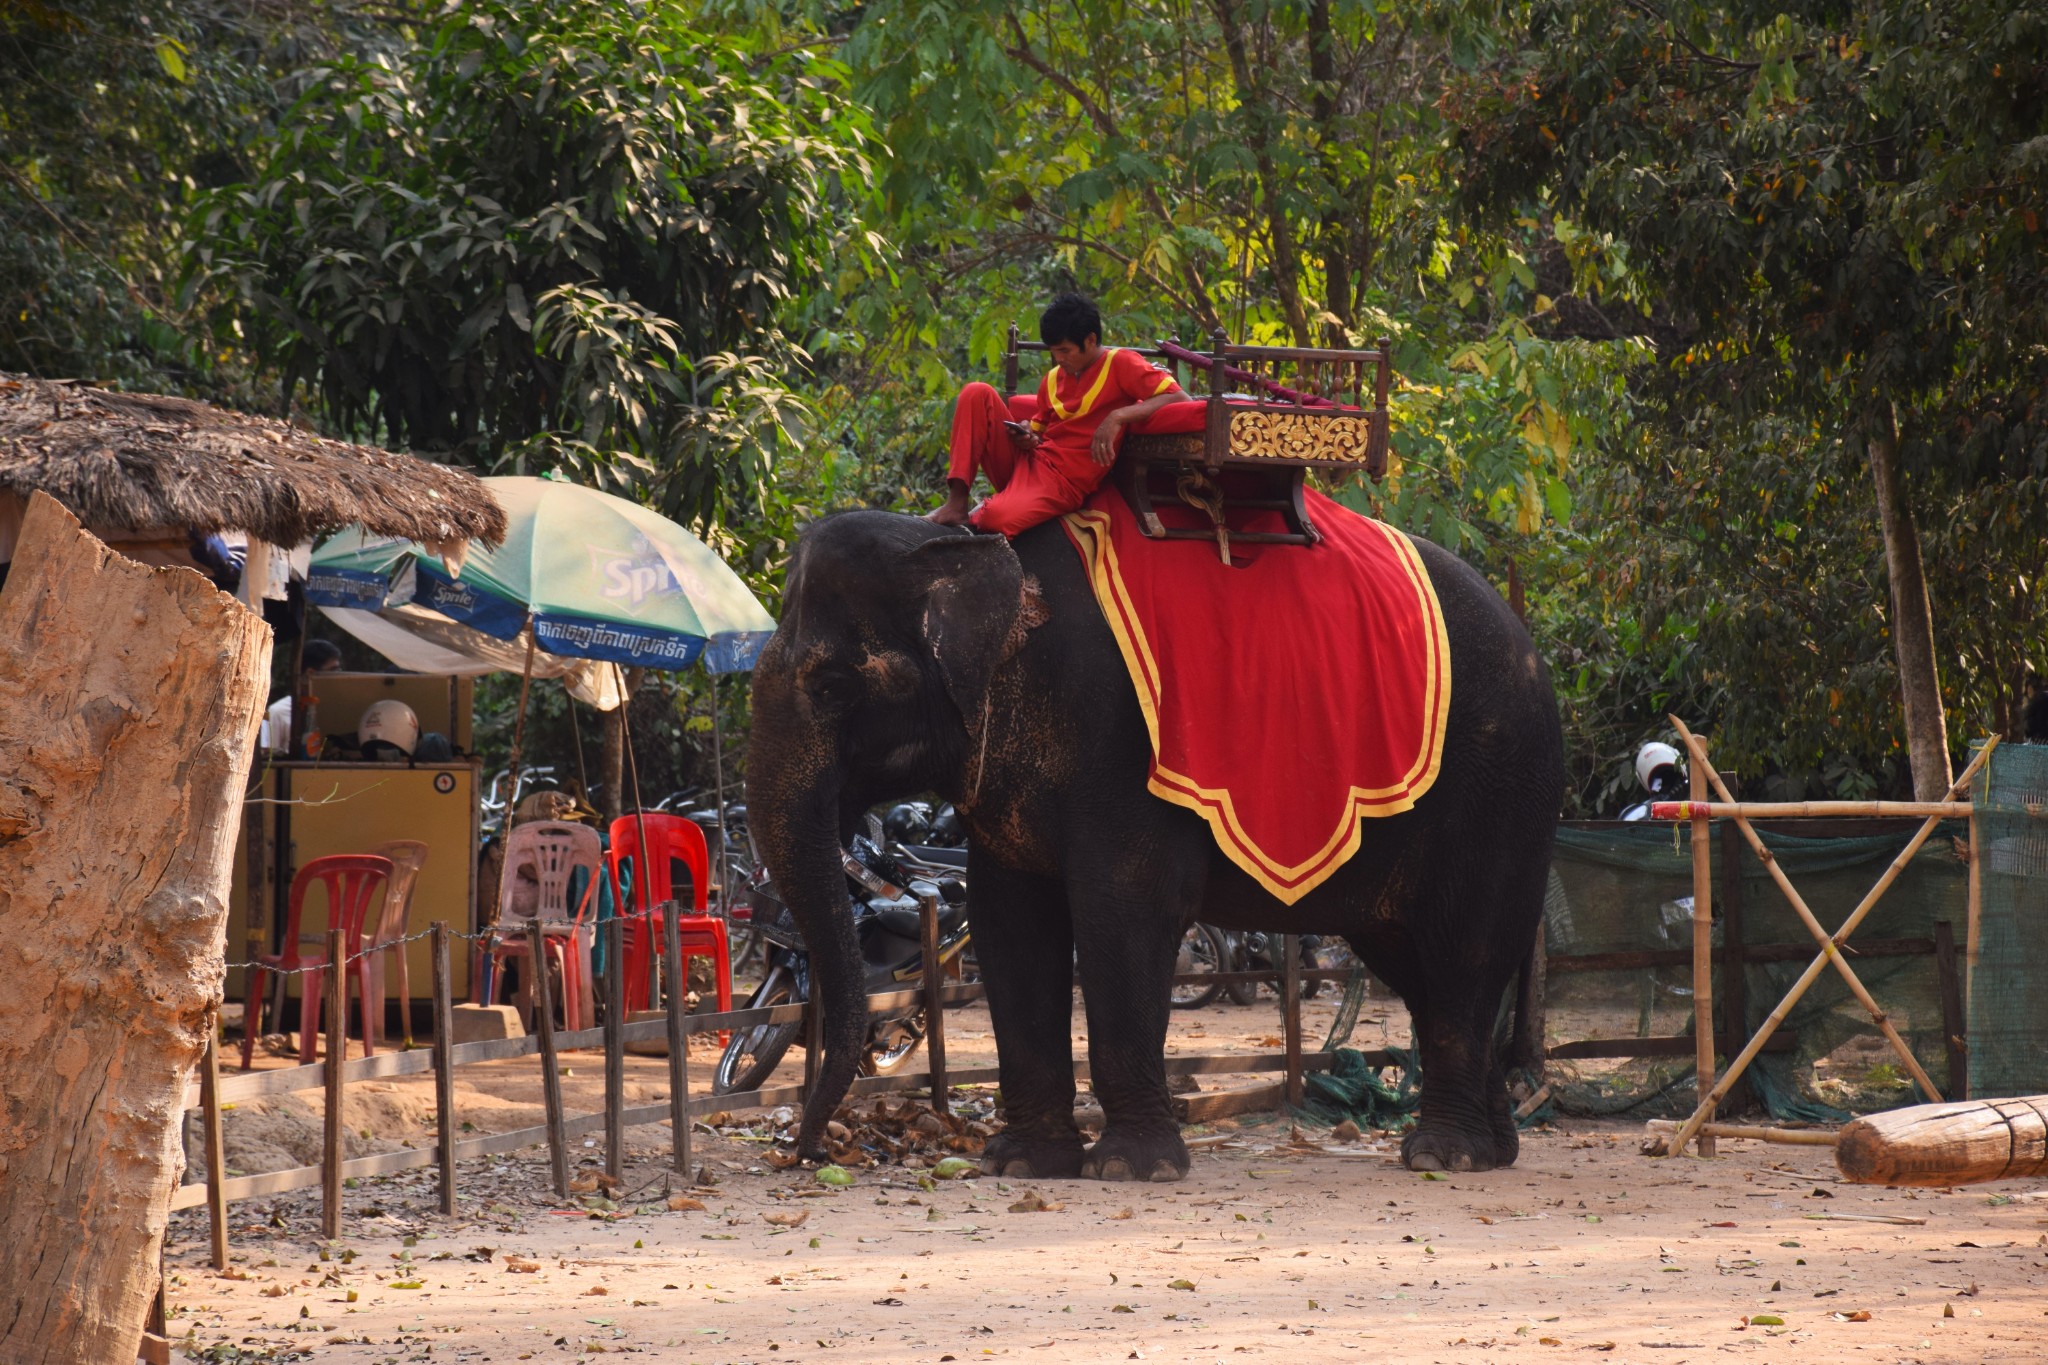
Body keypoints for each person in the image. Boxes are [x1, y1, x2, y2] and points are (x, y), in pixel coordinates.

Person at [928, 292, 1186, 536]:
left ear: (1091, 340)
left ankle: (990, 508)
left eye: (1064, 350)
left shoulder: (1121, 363)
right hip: (1030, 464)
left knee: (993, 519)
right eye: (1053, 351)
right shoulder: (1052, 379)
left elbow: (1177, 397)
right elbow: (1038, 435)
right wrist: (1025, 434)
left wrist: (1117, 416)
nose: (1058, 358)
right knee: (976, 391)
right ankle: (957, 502)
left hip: (1063, 484)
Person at [262, 638, 343, 752]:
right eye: (333, 670)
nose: (338, 676)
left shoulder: (340, 707)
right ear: (310, 673)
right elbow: (268, 757)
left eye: (339, 670)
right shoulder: (278, 711)